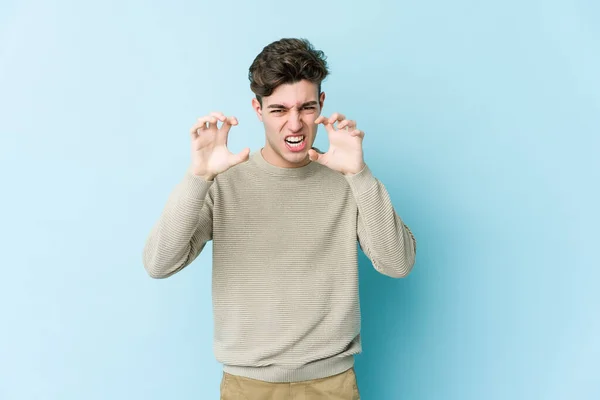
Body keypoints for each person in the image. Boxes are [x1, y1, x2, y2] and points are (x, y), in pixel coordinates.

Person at [142, 37, 417, 400]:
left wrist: (360, 174)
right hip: (247, 385)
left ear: (321, 104)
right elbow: (159, 263)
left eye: (305, 108)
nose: (295, 124)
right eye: (278, 110)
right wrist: (198, 178)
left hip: (331, 384)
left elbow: (398, 263)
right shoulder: (223, 181)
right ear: (258, 110)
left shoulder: (347, 179)